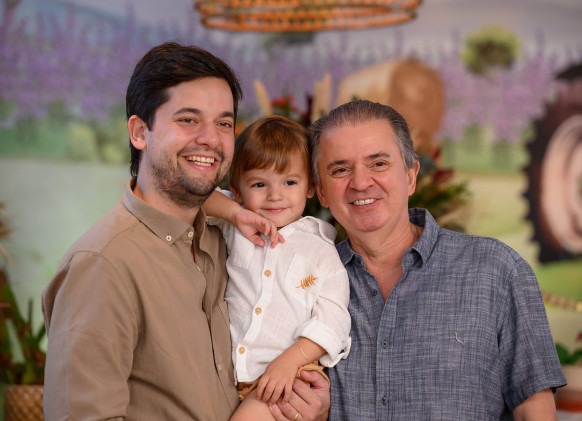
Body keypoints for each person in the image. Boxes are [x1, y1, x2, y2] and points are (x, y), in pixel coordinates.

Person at [41, 42, 329, 421]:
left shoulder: (226, 239)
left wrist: (307, 409)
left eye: (223, 123)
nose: (210, 138)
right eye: (188, 120)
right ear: (140, 132)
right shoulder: (102, 265)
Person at [307, 100, 567, 420]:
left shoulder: (496, 269)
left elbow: (535, 410)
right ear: (321, 192)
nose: (360, 183)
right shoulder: (304, 284)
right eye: (340, 170)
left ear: (411, 176)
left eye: (378, 164)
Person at [202, 115, 351, 420]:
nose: (275, 195)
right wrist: (235, 213)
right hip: (230, 376)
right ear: (237, 190)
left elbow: (334, 321)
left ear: (310, 186)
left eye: (289, 182)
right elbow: (193, 198)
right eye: (259, 184)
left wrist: (290, 360)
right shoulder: (238, 224)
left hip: (290, 377)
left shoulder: (321, 251)